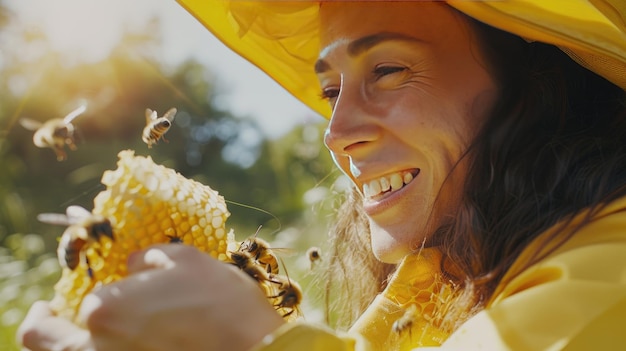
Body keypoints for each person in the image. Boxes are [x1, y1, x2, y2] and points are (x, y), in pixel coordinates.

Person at [18, 0, 626, 350]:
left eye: (388, 70)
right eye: (330, 90)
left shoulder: (614, 270)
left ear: (533, 83)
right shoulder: (442, 276)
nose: (336, 133)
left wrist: (250, 341)